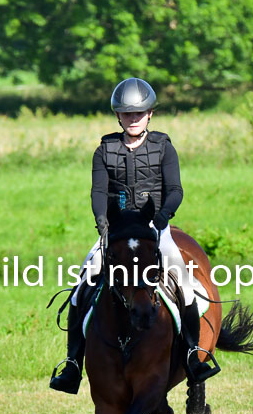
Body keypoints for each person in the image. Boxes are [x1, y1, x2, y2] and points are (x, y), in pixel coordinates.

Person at [50, 77, 217, 394]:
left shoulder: (164, 148)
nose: (133, 119)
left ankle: (194, 357)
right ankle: (72, 364)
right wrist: (102, 222)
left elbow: (176, 190)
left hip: (155, 230)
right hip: (116, 233)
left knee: (183, 282)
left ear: (150, 114)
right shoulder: (104, 150)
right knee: (81, 287)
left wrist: (164, 215)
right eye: (127, 114)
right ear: (118, 116)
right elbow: (99, 192)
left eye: (138, 114)